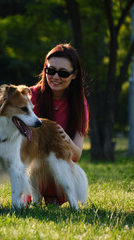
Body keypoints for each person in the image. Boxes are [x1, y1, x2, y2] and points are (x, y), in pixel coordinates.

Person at [28, 43, 89, 206]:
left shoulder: (78, 104)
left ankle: (57, 195)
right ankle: (36, 196)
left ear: (74, 75)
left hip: (61, 171)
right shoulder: (30, 97)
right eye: (50, 70)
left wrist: (65, 139)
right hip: (33, 171)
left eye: (63, 73)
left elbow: (76, 154)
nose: (55, 77)